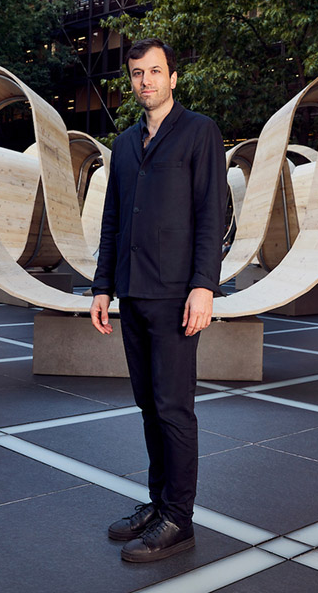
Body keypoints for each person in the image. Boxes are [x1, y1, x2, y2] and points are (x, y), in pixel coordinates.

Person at [89, 38, 226, 563]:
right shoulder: (123, 145)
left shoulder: (199, 133)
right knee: (148, 405)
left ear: (173, 79)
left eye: (155, 71)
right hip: (132, 292)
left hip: (175, 295)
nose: (146, 80)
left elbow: (211, 214)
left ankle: (180, 519)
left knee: (174, 408)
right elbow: (112, 220)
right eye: (137, 73)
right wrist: (102, 287)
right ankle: (157, 502)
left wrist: (203, 286)